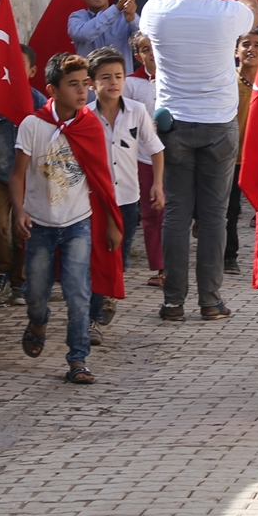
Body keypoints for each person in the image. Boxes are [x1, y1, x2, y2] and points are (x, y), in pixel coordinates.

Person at [139, 0, 258, 322]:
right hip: (219, 124)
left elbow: (167, 2)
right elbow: (253, 10)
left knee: (175, 213)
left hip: (172, 123)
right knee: (213, 216)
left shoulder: (155, 10)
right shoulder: (227, 13)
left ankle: (173, 302)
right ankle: (210, 301)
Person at [12, 53, 124, 384]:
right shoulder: (33, 125)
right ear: (52, 89)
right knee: (35, 290)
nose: (82, 91)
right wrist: (19, 209)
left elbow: (100, 177)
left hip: (78, 222)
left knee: (78, 291)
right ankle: (38, 321)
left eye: (85, 84)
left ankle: (78, 359)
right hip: (39, 223)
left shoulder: (89, 125)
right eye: (72, 84)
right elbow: (18, 174)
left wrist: (113, 222)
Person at [85, 47, 165, 343]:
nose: (113, 83)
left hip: (128, 197)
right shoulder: (85, 117)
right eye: (105, 77)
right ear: (92, 83)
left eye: (118, 76)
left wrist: (157, 184)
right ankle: (91, 317)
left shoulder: (136, 111)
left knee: (119, 255)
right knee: (94, 258)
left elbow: (155, 148)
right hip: (92, 200)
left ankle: (108, 295)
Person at [0, 45, 48, 305]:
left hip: (28, 180)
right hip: (0, 177)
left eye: (21, 67)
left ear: (32, 71)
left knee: (22, 231)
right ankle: (2, 269)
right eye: (10, 67)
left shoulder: (39, 102)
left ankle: (19, 282)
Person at [123, 33, 166, 286]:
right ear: (138, 56)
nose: (151, 53)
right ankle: (160, 267)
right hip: (142, 157)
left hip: (173, 155)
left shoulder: (175, 78)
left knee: (172, 213)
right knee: (151, 214)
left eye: (155, 47)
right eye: (145, 49)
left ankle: (173, 263)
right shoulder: (131, 84)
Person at [225, 28, 258, 275]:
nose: (251, 49)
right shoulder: (227, 81)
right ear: (236, 51)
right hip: (230, 158)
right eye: (246, 44)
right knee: (230, 211)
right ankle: (229, 257)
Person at [68, 0, 138, 58]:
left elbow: (145, 38)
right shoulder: (77, 18)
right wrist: (117, 8)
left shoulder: (126, 15)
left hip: (123, 73)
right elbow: (85, 34)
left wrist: (133, 20)